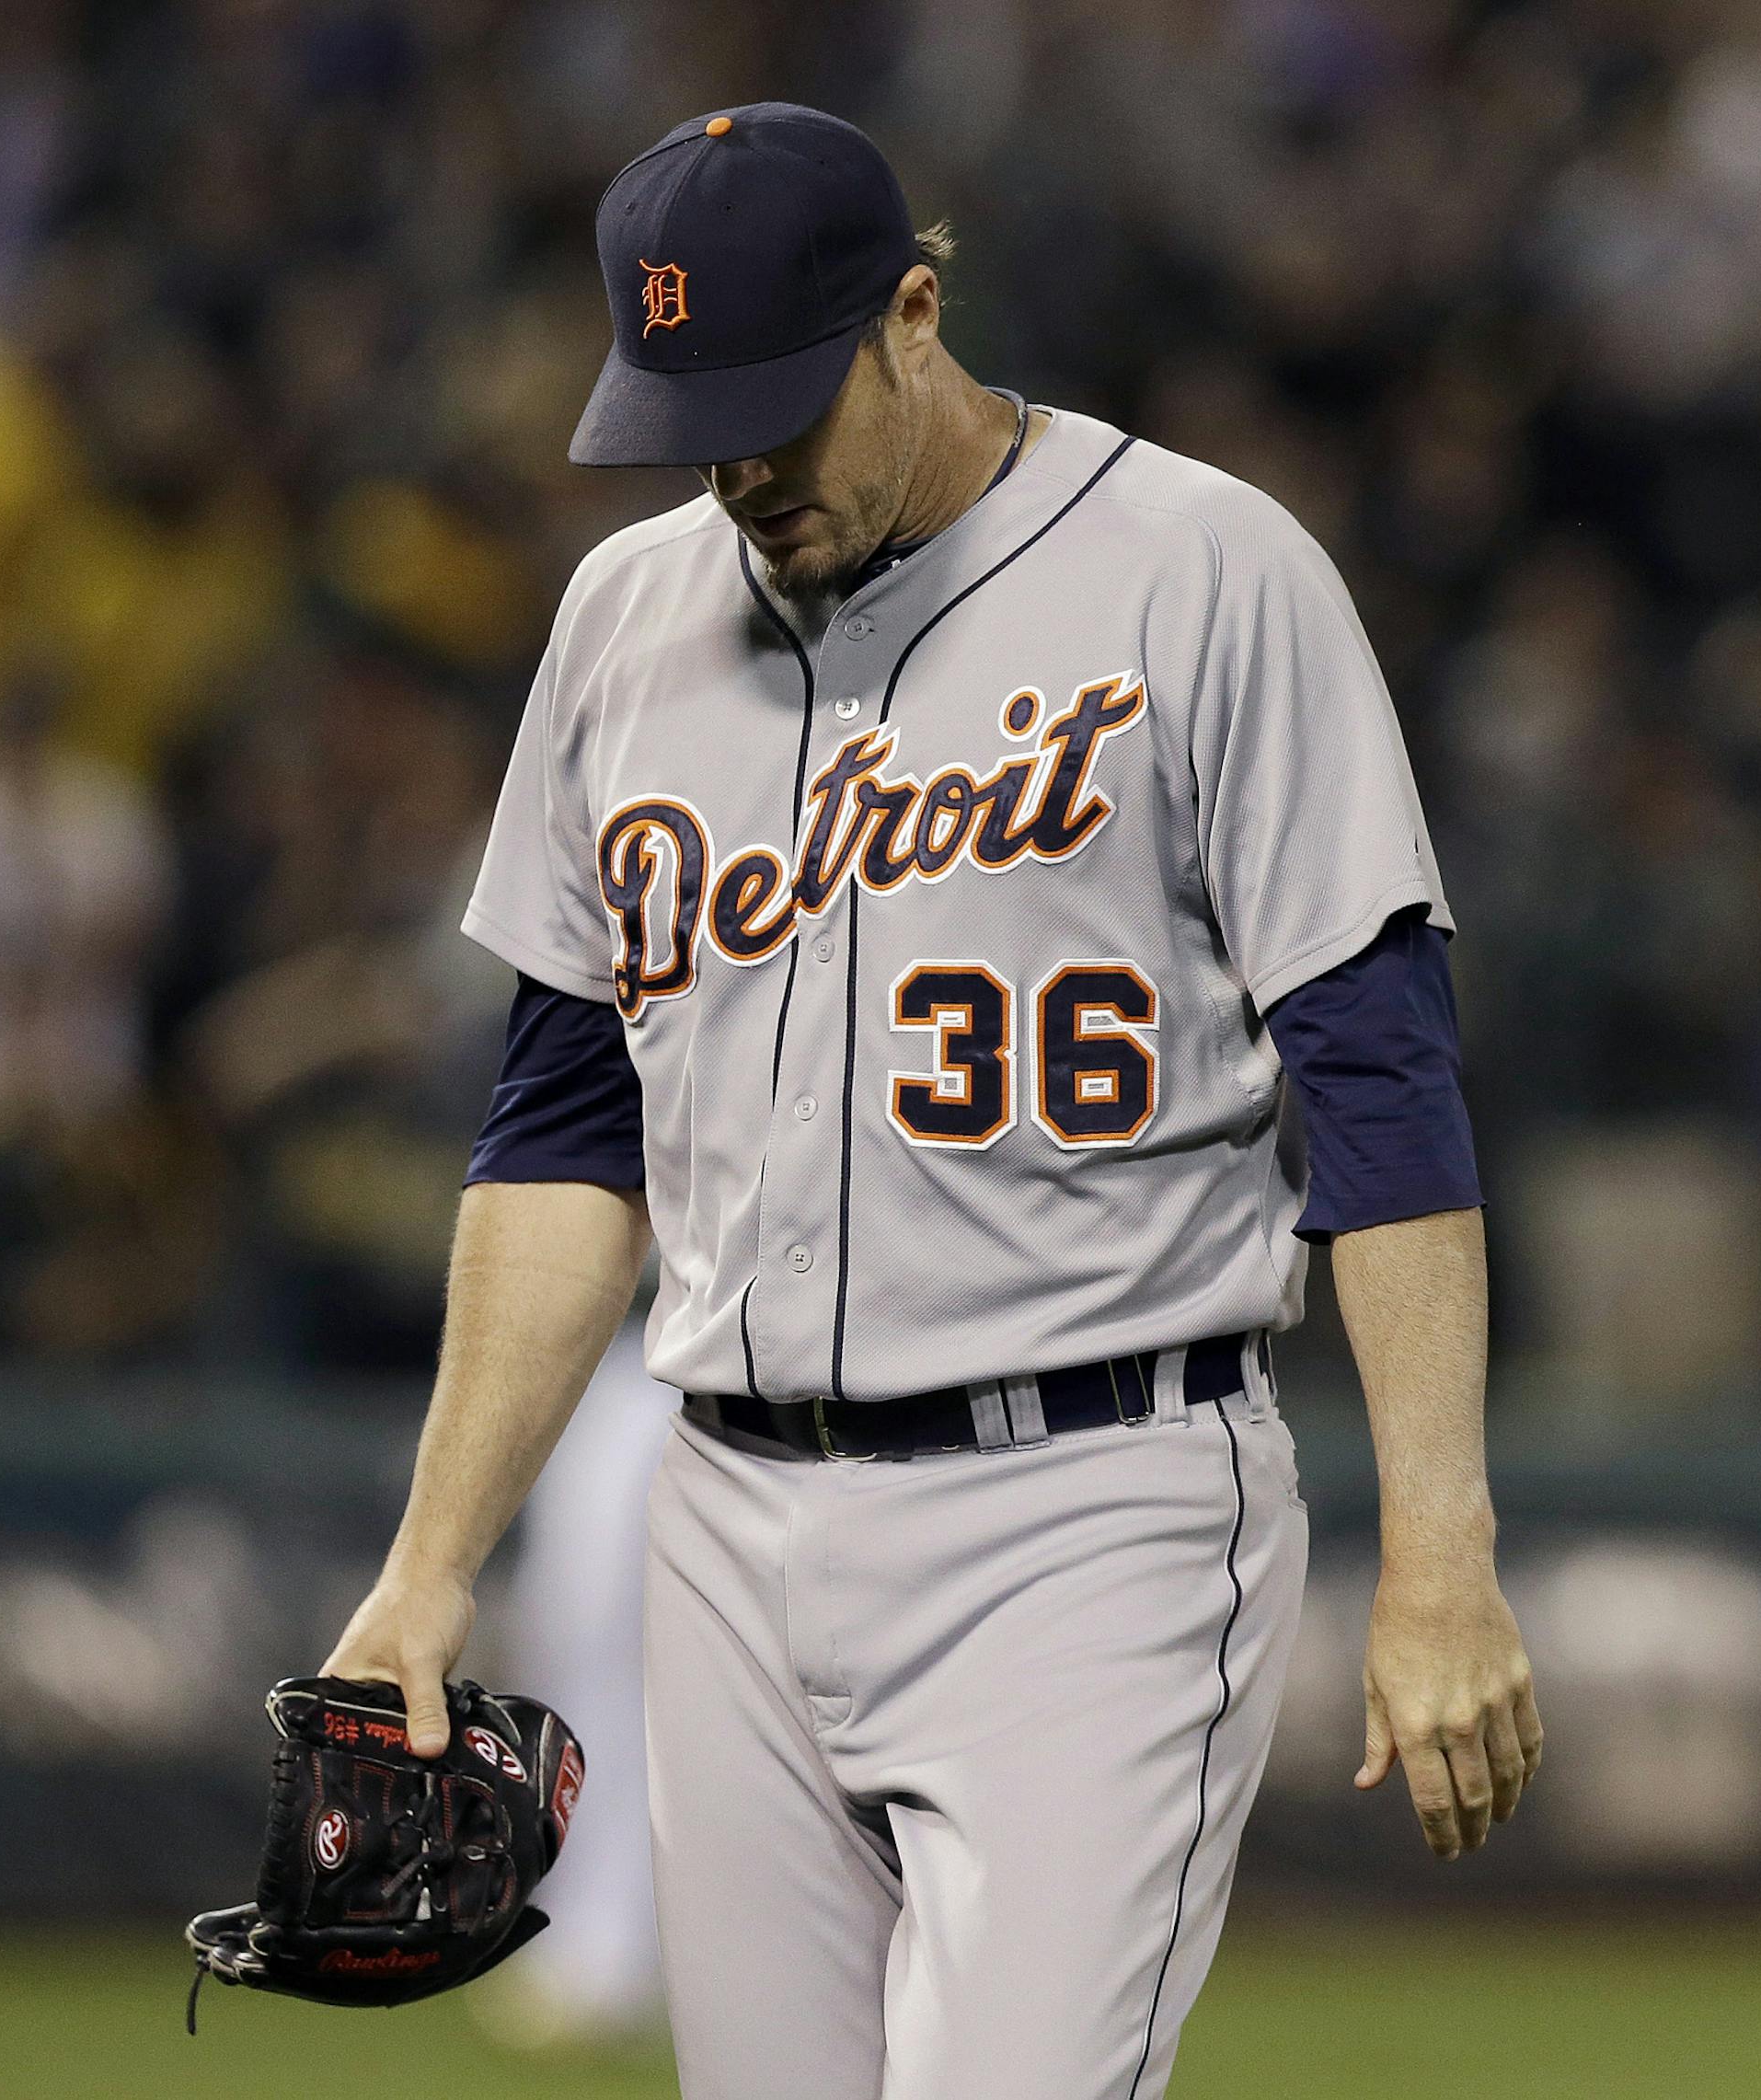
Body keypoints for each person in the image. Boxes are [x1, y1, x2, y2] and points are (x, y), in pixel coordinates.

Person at [325, 102, 1542, 2100]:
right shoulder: (627, 621)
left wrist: (1444, 1548)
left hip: (1097, 1504)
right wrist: (432, 1560)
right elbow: (559, 1130)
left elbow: (1385, 1092)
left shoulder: (1209, 574)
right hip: (724, 1514)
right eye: (690, 419)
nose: (736, 474)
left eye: (778, 414)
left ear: (914, 316)